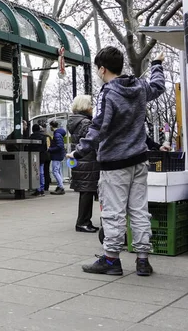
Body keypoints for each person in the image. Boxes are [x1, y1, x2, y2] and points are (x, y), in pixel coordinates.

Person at [69, 48, 165, 276]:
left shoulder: (108, 93)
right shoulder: (139, 87)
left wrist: (79, 152)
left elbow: (98, 126)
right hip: (140, 160)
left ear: (102, 69)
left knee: (113, 212)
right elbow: (158, 86)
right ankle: (143, 260)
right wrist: (157, 65)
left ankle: (111, 260)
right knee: (140, 211)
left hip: (114, 163)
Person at [68, 95, 100, 233]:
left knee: (86, 192)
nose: (92, 108)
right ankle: (82, 222)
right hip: (88, 161)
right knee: (87, 192)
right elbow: (93, 141)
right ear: (85, 107)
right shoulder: (85, 123)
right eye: (90, 105)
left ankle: (85, 221)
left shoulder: (75, 121)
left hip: (81, 161)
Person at [48, 121, 66, 195]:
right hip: (59, 155)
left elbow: (59, 146)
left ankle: (61, 187)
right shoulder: (59, 133)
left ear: (52, 126)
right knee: (58, 170)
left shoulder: (57, 135)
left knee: (55, 171)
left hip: (56, 155)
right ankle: (60, 186)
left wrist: (50, 149)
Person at [28, 124, 47, 197]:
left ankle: (37, 189)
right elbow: (45, 147)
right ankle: (42, 189)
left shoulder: (32, 137)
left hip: (34, 156)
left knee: (36, 172)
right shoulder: (43, 136)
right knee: (41, 173)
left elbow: (29, 147)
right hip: (42, 156)